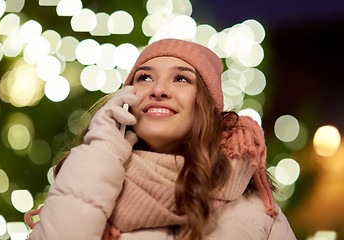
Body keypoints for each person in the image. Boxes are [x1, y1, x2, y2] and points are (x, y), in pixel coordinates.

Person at [25, 38, 296, 240]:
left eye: (181, 78)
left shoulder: (258, 213)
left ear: (206, 106)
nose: (158, 90)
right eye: (144, 77)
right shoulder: (86, 174)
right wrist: (101, 150)